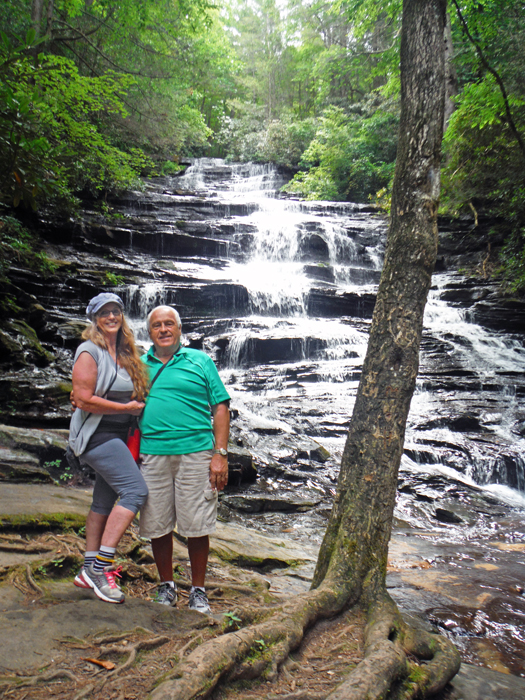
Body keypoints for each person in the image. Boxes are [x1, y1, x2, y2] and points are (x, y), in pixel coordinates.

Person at [139, 305, 230, 613]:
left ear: (179, 330)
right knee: (157, 522)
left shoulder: (200, 360)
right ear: (149, 333)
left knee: (196, 524)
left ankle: (198, 590)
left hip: (197, 453)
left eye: (169, 324)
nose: (163, 330)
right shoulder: (137, 365)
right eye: (157, 326)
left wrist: (220, 454)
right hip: (151, 453)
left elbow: (220, 407)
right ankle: (167, 586)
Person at [69, 292, 149, 604]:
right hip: (97, 436)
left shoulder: (127, 353)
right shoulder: (89, 350)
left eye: (116, 311)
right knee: (135, 492)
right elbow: (84, 398)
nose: (111, 317)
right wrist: (126, 409)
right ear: (95, 319)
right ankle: (101, 568)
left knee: (103, 501)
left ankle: (87, 570)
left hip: (119, 436)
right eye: (104, 313)